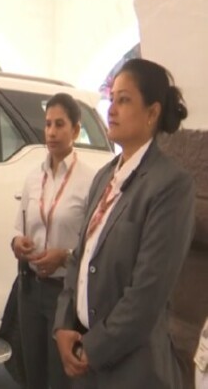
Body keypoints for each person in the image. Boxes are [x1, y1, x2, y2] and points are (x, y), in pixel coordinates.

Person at [53, 58, 195, 388]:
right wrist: (63, 325)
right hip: (87, 360)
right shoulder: (105, 176)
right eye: (112, 98)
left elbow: (147, 294)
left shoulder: (170, 185)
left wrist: (94, 346)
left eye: (124, 99)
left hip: (134, 367)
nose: (111, 109)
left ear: (152, 112)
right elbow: (79, 258)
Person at [11, 93, 96, 389]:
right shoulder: (33, 177)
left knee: (60, 379)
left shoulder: (90, 181)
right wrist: (17, 244)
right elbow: (17, 228)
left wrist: (65, 256)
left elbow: (95, 247)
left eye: (60, 124)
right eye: (48, 124)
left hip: (64, 294)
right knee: (32, 375)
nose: (51, 132)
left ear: (75, 130)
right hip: (30, 290)